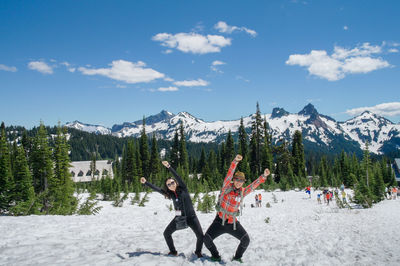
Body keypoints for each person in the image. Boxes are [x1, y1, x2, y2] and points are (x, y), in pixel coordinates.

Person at [203, 154, 270, 263]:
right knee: (206, 239)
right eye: (237, 179)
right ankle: (215, 255)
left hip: (232, 223)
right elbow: (229, 174)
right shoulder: (226, 187)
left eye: (241, 180)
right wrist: (235, 162)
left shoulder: (242, 191)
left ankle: (237, 257)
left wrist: (264, 176)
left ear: (243, 182)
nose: (239, 182)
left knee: (245, 240)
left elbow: (254, 185)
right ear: (234, 180)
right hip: (219, 221)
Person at [140, 161, 204, 258]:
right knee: (166, 233)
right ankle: (173, 251)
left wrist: (169, 167)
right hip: (179, 218)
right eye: (169, 185)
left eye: (172, 183)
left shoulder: (183, 188)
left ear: (176, 182)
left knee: (200, 236)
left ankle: (198, 252)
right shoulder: (170, 194)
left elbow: (177, 176)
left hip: (191, 217)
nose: (171, 185)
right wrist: (146, 183)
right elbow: (158, 189)